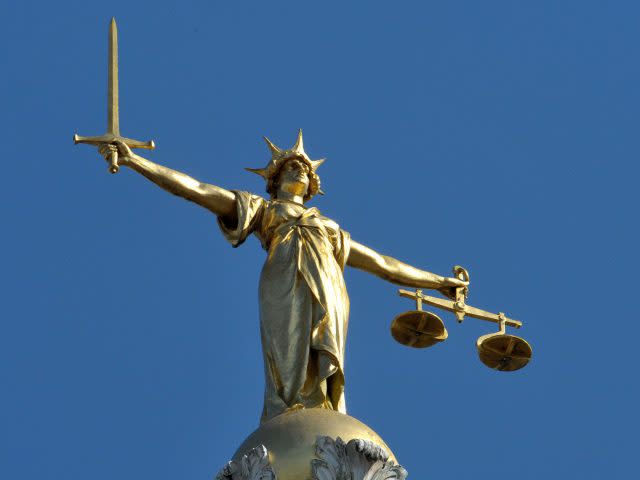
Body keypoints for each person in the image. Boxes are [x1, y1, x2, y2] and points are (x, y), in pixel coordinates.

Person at [98, 131, 467, 423]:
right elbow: (198, 190)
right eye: (290, 167)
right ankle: (287, 413)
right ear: (273, 181)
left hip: (330, 292)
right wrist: (136, 162)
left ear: (312, 185)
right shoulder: (264, 211)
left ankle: (323, 410)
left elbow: (384, 264)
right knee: (287, 358)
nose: (299, 171)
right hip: (283, 285)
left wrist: (439, 283)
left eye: (305, 170)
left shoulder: (330, 229)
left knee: (325, 358)